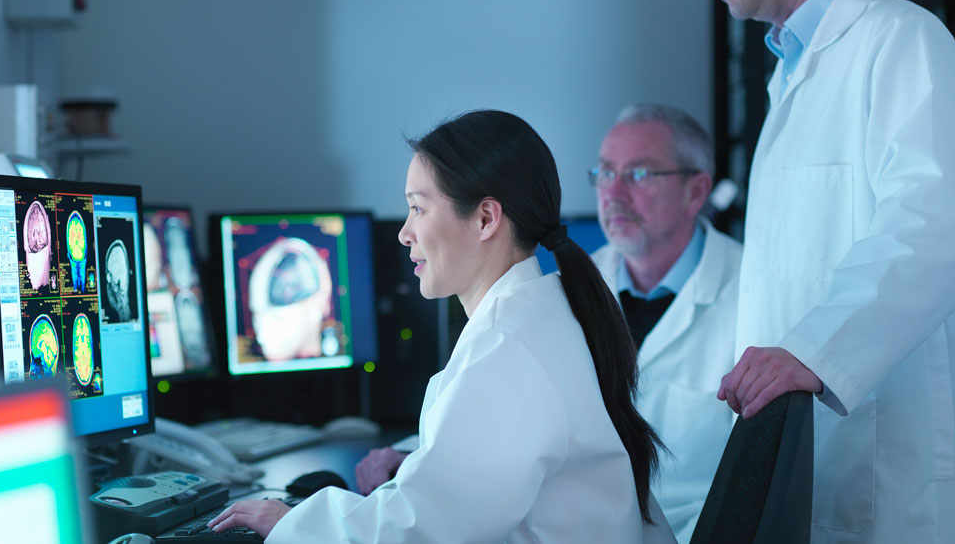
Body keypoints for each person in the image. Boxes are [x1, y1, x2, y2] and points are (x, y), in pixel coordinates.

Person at [683, 0, 955, 541]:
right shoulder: (791, 73)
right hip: (817, 462)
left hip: (900, 485)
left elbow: (932, 234)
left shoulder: (902, 42)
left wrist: (810, 351)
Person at [210, 110, 675, 543]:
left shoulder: (507, 347)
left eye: (419, 208)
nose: (404, 232)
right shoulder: (546, 312)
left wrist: (294, 523)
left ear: (486, 218)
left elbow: (417, 530)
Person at [589, 104, 741, 542]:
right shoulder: (566, 294)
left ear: (696, 192)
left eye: (638, 175)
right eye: (604, 173)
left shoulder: (754, 292)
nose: (612, 193)